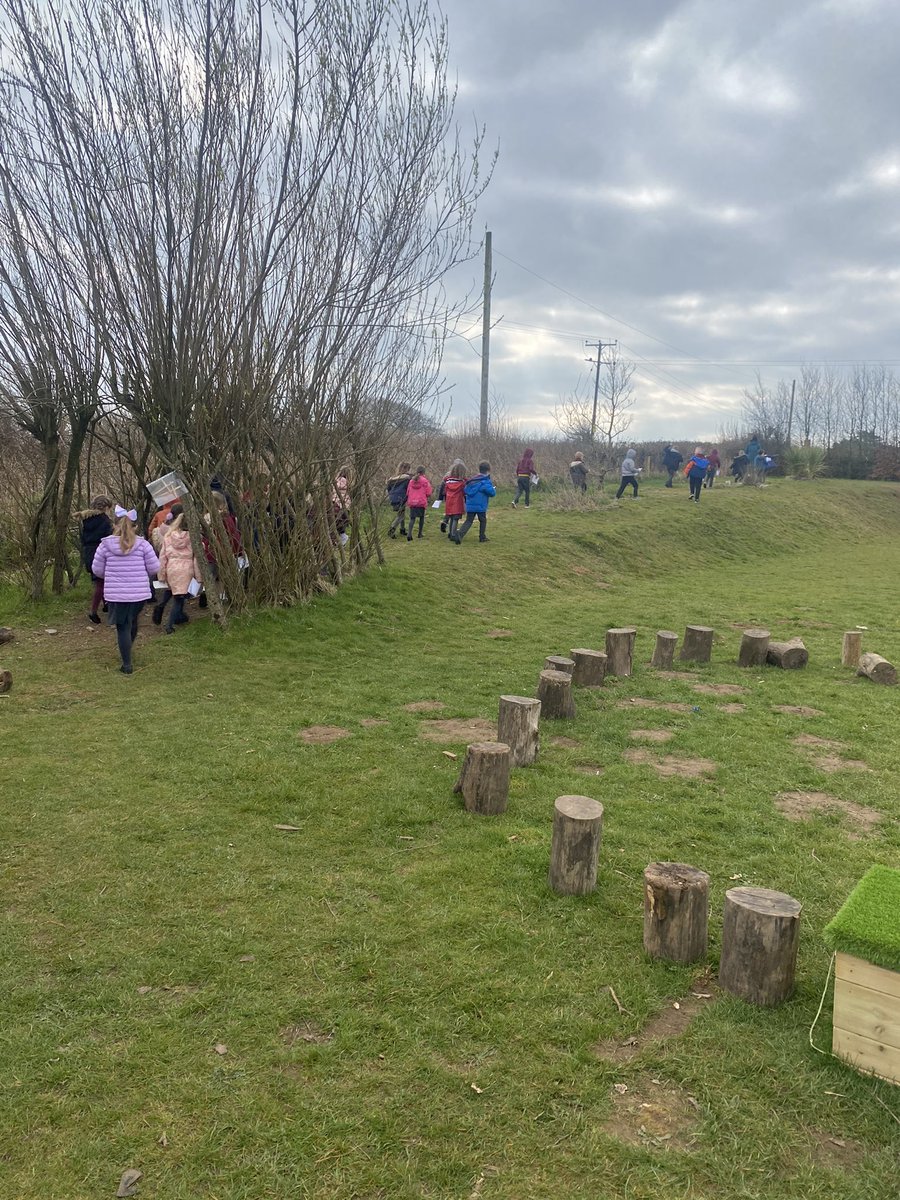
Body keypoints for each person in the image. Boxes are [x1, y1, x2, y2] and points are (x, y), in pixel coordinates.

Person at [90, 505, 160, 674]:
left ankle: (127, 664)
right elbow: (154, 568)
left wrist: (110, 575)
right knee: (132, 621)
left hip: (116, 594)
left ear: (114, 525)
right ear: (136, 526)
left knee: (122, 627)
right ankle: (128, 648)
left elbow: (97, 570)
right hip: (139, 594)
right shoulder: (143, 545)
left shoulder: (105, 546)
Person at [157, 504, 202, 633]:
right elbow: (196, 559)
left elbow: (162, 557)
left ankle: (179, 617)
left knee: (176, 594)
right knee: (179, 598)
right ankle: (169, 625)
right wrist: (199, 577)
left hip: (172, 568)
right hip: (186, 568)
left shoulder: (168, 537)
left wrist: (162, 574)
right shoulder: (194, 538)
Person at [78, 495, 113, 623]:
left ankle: (106, 604)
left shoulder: (86, 520)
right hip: (100, 552)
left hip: (88, 552)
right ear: (106, 507)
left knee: (100, 581)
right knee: (101, 583)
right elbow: (108, 538)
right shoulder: (105, 520)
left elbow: (83, 538)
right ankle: (93, 611)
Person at [454, 461, 496, 543]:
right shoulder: (485, 481)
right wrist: (493, 489)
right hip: (480, 506)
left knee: (469, 521)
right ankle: (482, 537)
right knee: (483, 520)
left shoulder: (472, 480)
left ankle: (460, 534)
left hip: (470, 505)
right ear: (488, 470)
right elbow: (492, 493)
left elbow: (466, 490)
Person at [439, 460, 467, 541]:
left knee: (451, 518)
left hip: (449, 501)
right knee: (455, 519)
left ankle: (450, 533)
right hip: (457, 502)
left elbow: (445, 491)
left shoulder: (448, 481)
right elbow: (465, 492)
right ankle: (453, 534)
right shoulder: (462, 483)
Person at [405, 467, 432, 541]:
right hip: (421, 502)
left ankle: (409, 534)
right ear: (424, 472)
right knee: (421, 518)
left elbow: (407, 492)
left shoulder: (411, 481)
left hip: (412, 502)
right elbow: (428, 492)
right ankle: (420, 533)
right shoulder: (425, 481)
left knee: (412, 518)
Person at [386, 462, 411, 539]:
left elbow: (388, 488)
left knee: (401, 513)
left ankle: (402, 529)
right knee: (400, 516)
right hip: (401, 498)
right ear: (406, 469)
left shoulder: (392, 479)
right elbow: (408, 489)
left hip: (393, 498)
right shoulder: (407, 479)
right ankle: (392, 529)